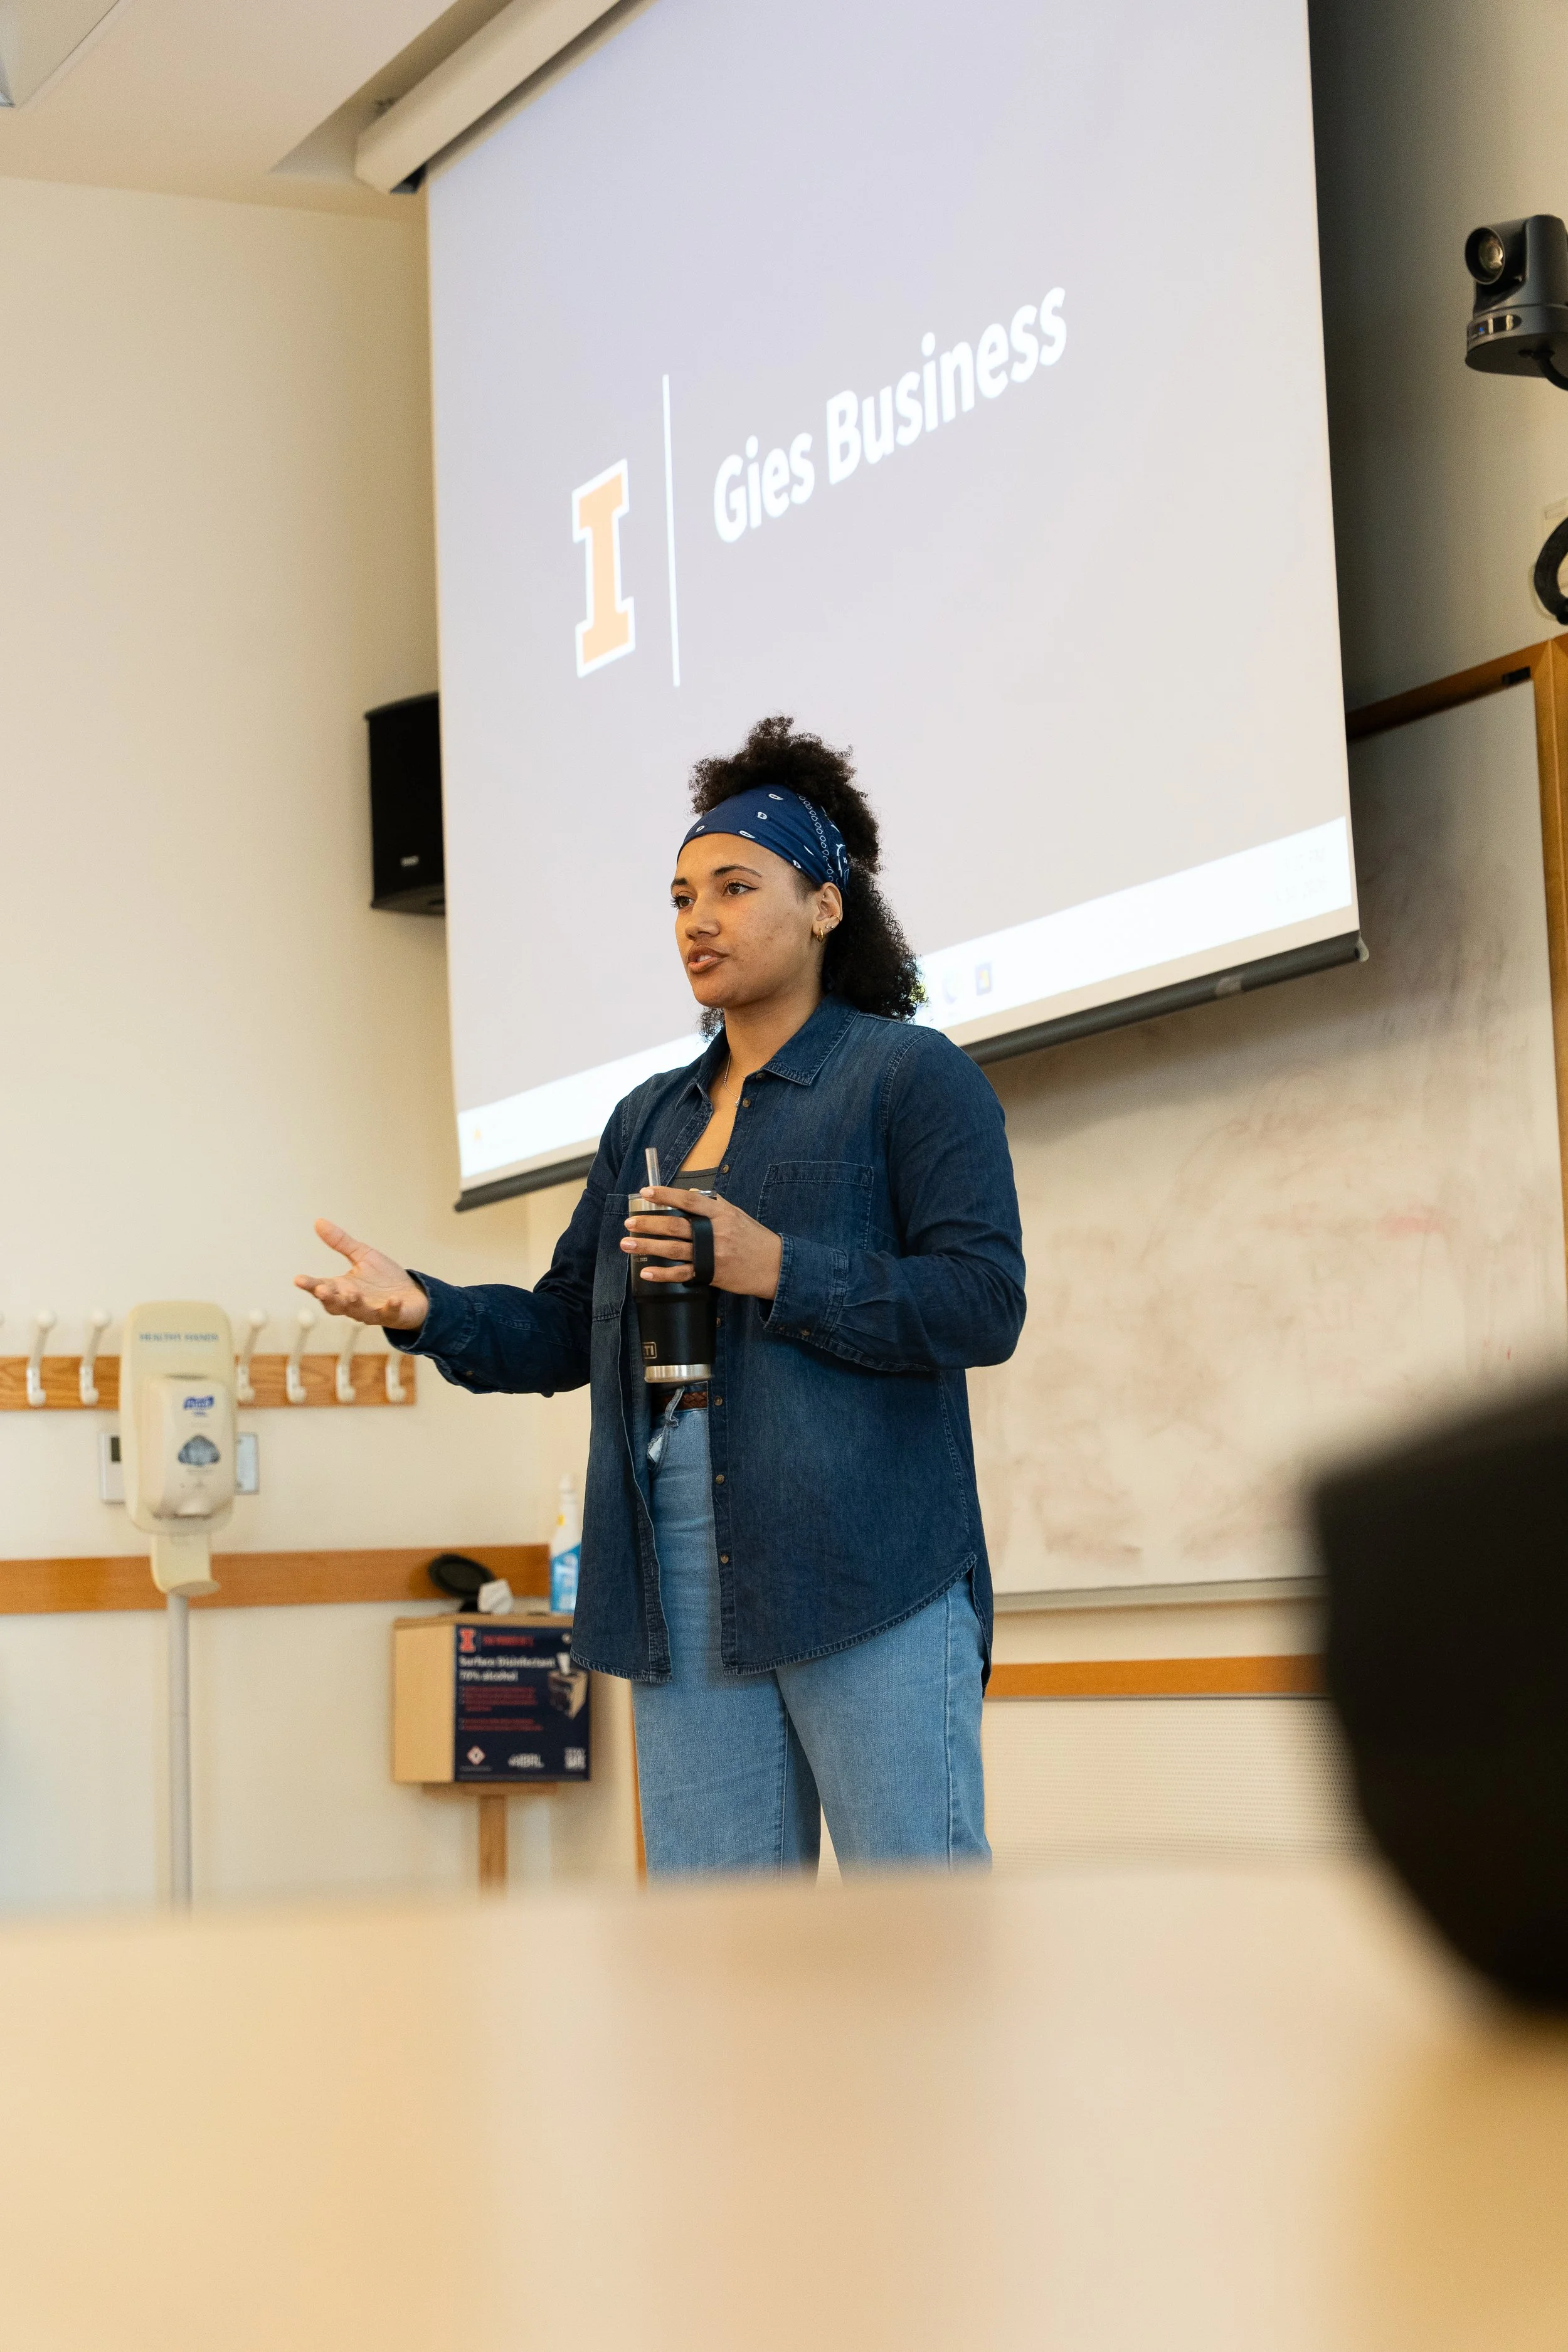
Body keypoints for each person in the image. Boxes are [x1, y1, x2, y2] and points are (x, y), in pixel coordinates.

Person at [298, 716, 1025, 1875]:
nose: (699, 919)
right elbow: (565, 1324)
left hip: (867, 1566)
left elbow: (984, 1302)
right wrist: (426, 1310)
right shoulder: (649, 1116)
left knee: (922, 1936)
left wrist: (775, 1264)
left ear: (827, 905)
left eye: (735, 888)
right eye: (682, 896)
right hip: (678, 1573)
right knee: (717, 1965)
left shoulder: (911, 1077)